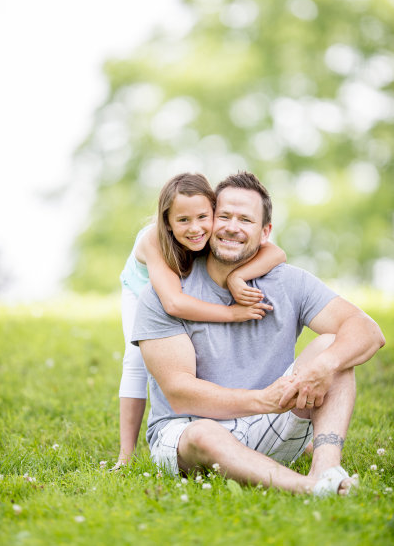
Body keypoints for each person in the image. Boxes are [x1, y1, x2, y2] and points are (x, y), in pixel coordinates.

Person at [132, 171, 385, 496]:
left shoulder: (289, 282)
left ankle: (326, 468)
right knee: (204, 434)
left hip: (271, 421)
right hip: (189, 431)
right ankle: (309, 488)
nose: (231, 227)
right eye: (223, 216)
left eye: (245, 219)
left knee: (333, 345)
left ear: (265, 232)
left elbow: (367, 331)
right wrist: (260, 399)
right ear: (209, 220)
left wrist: (326, 365)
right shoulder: (164, 293)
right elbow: (180, 394)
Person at [112, 172, 286, 470]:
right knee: (136, 359)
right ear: (167, 221)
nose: (195, 228)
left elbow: (277, 252)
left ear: (213, 211)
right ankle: (125, 456)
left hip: (186, 287)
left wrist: (237, 276)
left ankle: (222, 422)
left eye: (203, 217)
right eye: (183, 221)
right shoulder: (153, 239)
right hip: (144, 291)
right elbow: (173, 302)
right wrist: (231, 314)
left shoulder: (210, 231)